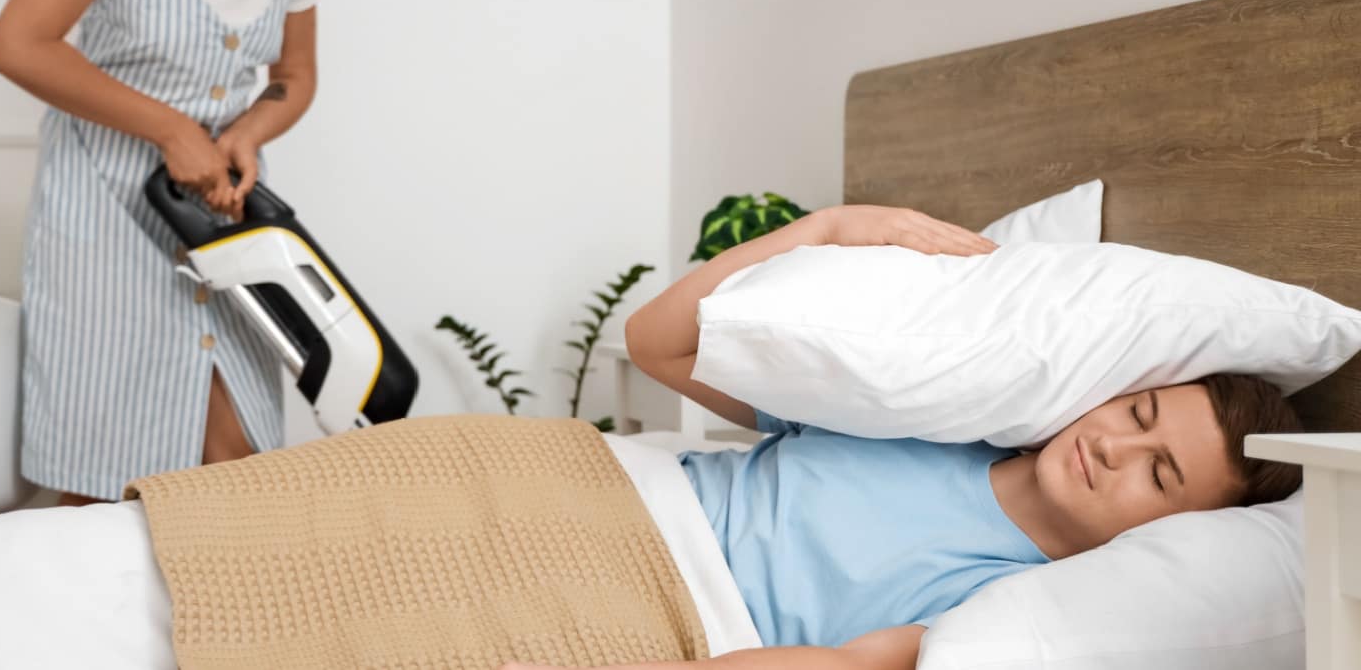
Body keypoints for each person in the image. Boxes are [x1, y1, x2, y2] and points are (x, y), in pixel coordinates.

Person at [498, 204, 1303, 670]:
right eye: (1137, 413)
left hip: (659, 606)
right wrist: (831, 227)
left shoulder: (1008, 603)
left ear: (1180, 530)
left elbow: (843, 666)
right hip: (599, 495)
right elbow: (655, 342)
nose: (1114, 448)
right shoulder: (929, 410)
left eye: (1159, 476)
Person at [0, 0, 374, 506]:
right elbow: (17, 43)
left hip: (220, 225)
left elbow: (296, 74)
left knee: (237, 470)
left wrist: (249, 133)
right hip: (104, 218)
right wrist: (170, 128)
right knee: (107, 479)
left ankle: (226, 624)